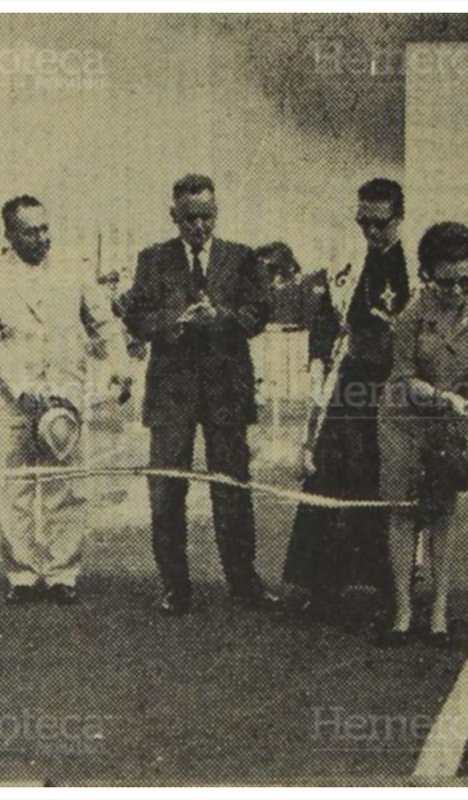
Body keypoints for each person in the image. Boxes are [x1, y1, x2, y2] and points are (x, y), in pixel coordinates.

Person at [122, 174, 277, 616]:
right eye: (189, 218)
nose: (199, 226)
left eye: (207, 216)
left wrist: (221, 318)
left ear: (217, 213)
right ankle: (175, 586)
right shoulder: (153, 259)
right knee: (167, 491)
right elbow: (136, 317)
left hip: (226, 391)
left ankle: (243, 582)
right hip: (171, 392)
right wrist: (177, 321)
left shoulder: (241, 258)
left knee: (231, 489)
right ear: (173, 216)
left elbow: (259, 312)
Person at [0, 195, 132, 606]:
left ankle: (63, 572)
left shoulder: (73, 269)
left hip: (66, 395)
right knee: (15, 485)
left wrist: (120, 366)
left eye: (45, 228)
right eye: (30, 231)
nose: (42, 238)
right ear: (9, 235)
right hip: (14, 400)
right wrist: (23, 388)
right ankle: (22, 574)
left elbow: (103, 323)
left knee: (67, 484)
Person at [282, 179, 411, 621]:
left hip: (395, 388)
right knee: (328, 475)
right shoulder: (346, 267)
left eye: (380, 223)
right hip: (350, 386)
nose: (371, 232)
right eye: (363, 222)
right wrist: (319, 367)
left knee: (388, 483)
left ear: (399, 218)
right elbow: (326, 325)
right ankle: (322, 584)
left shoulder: (415, 270)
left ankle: (392, 587)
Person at [377, 221, 468, 646]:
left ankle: (439, 612)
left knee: (442, 513)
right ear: (426, 275)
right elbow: (403, 378)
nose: (457, 291)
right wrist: (444, 398)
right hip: (403, 420)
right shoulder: (411, 316)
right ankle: (403, 611)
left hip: (448, 424)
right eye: (447, 282)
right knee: (403, 513)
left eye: (466, 281)